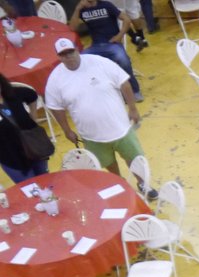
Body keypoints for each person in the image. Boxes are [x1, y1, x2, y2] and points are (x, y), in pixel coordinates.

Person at [45, 39, 145, 177]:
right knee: (108, 162)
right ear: (59, 57)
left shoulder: (99, 62)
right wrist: (67, 130)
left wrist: (133, 109)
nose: (68, 56)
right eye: (63, 54)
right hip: (91, 136)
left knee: (134, 159)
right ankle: (119, 182)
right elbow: (55, 106)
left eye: (70, 51)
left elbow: (124, 83)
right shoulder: (55, 79)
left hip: (121, 128)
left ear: (77, 50)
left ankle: (142, 183)